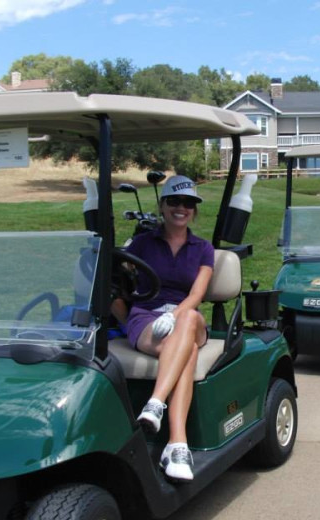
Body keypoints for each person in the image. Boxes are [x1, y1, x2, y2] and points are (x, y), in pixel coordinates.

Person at [122, 175, 214, 482]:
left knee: (187, 323)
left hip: (188, 316)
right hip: (146, 316)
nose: (181, 208)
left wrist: (175, 315)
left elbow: (197, 295)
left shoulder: (203, 248)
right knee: (184, 351)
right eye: (174, 201)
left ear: (194, 210)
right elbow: (119, 278)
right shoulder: (142, 243)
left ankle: (155, 402)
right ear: (162, 206)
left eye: (188, 203)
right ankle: (177, 445)